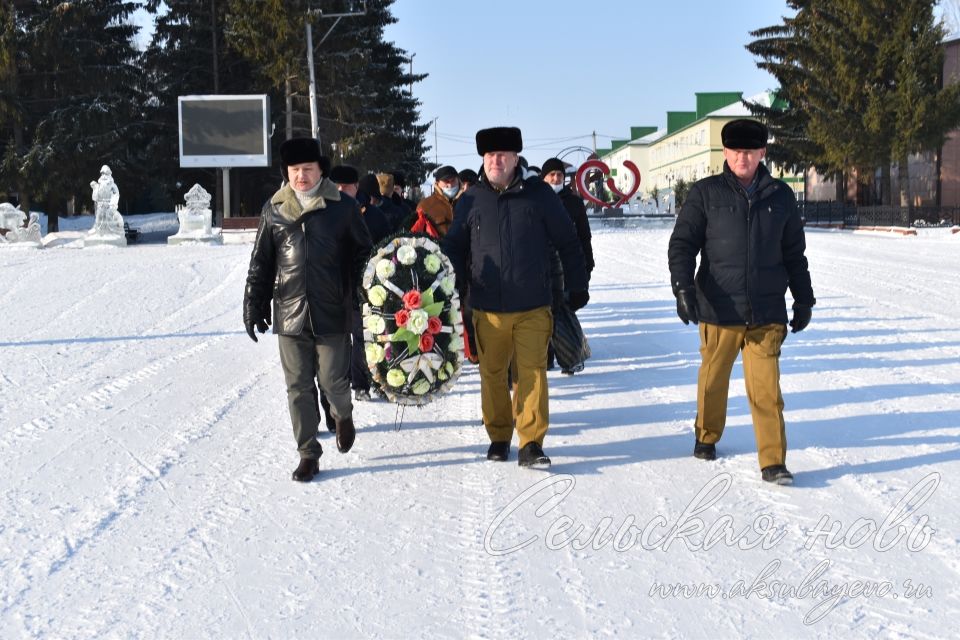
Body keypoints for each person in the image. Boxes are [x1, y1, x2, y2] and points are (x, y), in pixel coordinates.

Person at [667, 119, 815, 486]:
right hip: (719, 309)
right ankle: (707, 435)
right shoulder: (705, 193)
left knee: (767, 391)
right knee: (713, 380)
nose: (742, 157)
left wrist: (803, 298)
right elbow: (682, 245)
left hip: (766, 311)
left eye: (750, 151)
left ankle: (773, 461)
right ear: (726, 153)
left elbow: (795, 254)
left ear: (762, 153)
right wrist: (683, 288)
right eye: (735, 151)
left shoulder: (780, 197)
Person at [442, 127, 588, 468]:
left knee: (532, 372)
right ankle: (498, 436)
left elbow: (568, 240)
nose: (496, 160)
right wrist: (445, 287)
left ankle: (531, 442)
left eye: (503, 155)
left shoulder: (539, 195)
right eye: (490, 155)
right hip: (487, 306)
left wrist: (577, 284)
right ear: (483, 159)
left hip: (533, 304)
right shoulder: (472, 199)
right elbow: (454, 247)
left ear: (516, 158)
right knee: (492, 373)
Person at [243, 138, 373, 482]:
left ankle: (342, 415)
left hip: (331, 311)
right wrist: (253, 304)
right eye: (295, 170)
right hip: (290, 313)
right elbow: (261, 262)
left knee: (333, 380)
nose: (301, 176)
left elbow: (364, 255)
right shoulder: (274, 209)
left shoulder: (342, 207)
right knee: (297, 387)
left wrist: (361, 292)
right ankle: (308, 453)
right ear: (287, 172)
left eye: (308, 169)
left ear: (320, 171)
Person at [330, 165, 391, 403]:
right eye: (336, 186)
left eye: (346, 186)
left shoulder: (373, 215)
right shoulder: (322, 211)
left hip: (366, 286)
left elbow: (387, 247)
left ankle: (365, 382)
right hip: (332, 285)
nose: (341, 190)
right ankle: (338, 384)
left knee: (366, 335)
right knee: (336, 340)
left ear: (356, 187)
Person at [541, 157, 596, 374]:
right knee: (544, 311)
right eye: (552, 175)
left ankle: (568, 354)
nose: (556, 179)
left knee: (563, 312)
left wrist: (586, 267)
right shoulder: (536, 201)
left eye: (559, 176)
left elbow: (584, 237)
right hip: (542, 267)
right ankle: (546, 354)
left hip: (566, 267)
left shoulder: (573, 203)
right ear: (543, 178)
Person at [413, 165, 459, 237]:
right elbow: (417, 235)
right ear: (437, 183)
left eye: (453, 180)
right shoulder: (425, 206)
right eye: (446, 181)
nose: (450, 185)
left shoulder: (469, 202)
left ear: (458, 180)